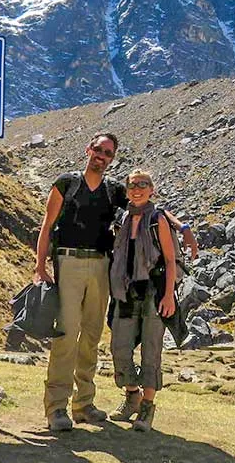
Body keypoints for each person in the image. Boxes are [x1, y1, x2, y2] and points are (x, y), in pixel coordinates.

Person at [34, 133, 197, 432]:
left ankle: (84, 404)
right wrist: (39, 264)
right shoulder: (65, 183)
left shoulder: (113, 190)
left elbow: (149, 207)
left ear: (112, 158)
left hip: (102, 266)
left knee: (92, 337)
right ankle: (57, 407)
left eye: (108, 153)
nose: (101, 155)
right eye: (98, 149)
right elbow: (47, 224)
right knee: (66, 334)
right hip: (68, 262)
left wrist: (182, 226)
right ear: (88, 150)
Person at [108, 170, 176, 432]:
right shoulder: (122, 219)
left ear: (152, 190)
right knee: (120, 346)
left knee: (151, 348)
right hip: (125, 289)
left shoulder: (157, 219)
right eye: (132, 185)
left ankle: (147, 407)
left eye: (143, 185)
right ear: (126, 191)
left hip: (154, 291)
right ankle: (131, 395)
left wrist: (169, 295)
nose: (137, 189)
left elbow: (170, 261)